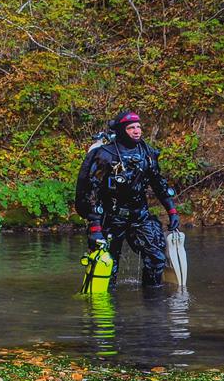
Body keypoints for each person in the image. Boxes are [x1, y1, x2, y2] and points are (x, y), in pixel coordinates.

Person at [76, 110, 179, 288]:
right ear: (121, 131)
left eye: (138, 127)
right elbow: (91, 193)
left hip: (140, 216)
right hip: (110, 218)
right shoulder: (105, 155)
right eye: (131, 128)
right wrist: (95, 228)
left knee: (156, 259)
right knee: (108, 267)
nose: (137, 131)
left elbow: (159, 184)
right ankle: (105, 303)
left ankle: (153, 301)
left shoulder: (147, 153)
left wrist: (172, 211)